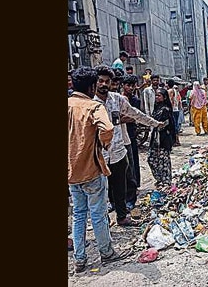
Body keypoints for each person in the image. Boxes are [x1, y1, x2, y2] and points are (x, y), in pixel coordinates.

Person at [68, 66, 132, 273]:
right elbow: (108, 129)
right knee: (98, 213)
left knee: (78, 214)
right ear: (91, 86)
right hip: (92, 169)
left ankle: (79, 259)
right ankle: (106, 253)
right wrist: (103, 144)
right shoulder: (94, 107)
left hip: (71, 170)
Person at [93, 65, 164, 227]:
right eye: (100, 81)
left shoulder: (117, 99)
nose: (104, 84)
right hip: (99, 156)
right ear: (95, 83)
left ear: (111, 83)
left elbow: (135, 114)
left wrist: (154, 123)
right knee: (101, 191)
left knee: (120, 187)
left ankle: (122, 216)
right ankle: (102, 222)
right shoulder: (90, 104)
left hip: (118, 152)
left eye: (107, 81)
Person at [121, 74, 143, 206]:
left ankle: (133, 192)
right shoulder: (117, 98)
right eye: (128, 85)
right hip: (120, 135)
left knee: (133, 162)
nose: (130, 88)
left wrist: (120, 118)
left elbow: (134, 117)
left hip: (130, 133)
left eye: (132, 85)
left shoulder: (134, 100)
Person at [148, 87, 176, 189]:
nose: (157, 97)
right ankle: (159, 179)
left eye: (159, 95)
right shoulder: (157, 108)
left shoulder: (166, 110)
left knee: (163, 161)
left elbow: (167, 124)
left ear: (164, 97)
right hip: (155, 138)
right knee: (151, 160)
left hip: (164, 139)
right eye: (156, 95)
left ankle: (166, 181)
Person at [166, 80, 181, 146]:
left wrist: (170, 109)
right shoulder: (175, 90)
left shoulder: (170, 91)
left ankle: (176, 140)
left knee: (173, 126)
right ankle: (176, 140)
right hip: (176, 109)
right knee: (175, 125)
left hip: (173, 110)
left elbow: (171, 100)